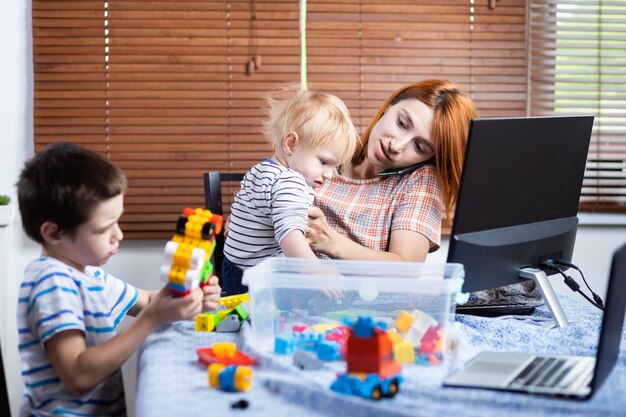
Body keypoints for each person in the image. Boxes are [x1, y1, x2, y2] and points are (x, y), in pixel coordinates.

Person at [16, 142, 221, 417]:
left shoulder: (89, 274)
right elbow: (78, 376)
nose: (119, 235)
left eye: (118, 221)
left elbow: (148, 300)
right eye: (104, 229)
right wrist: (151, 320)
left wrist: (190, 296)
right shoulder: (51, 282)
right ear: (54, 234)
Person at [306, 79, 478, 262]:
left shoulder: (420, 180)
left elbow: (406, 266)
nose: (396, 145)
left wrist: (330, 242)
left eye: (419, 147)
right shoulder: (332, 147)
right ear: (388, 107)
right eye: (402, 123)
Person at [222, 85, 360, 295]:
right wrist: (317, 272)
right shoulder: (290, 182)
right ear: (291, 144)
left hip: (233, 266)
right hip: (257, 279)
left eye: (335, 167)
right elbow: (290, 235)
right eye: (324, 162)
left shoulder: (262, 169)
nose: (330, 175)